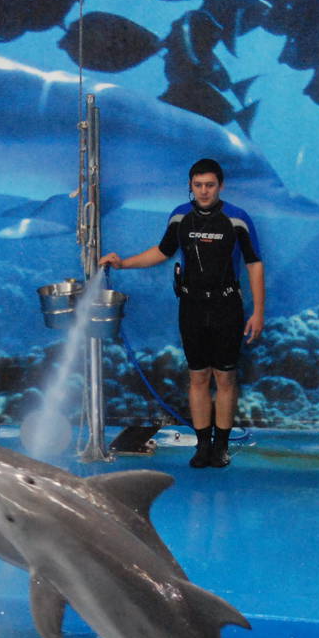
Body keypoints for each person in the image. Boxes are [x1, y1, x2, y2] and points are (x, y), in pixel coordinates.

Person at [99, 157, 265, 468]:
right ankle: (202, 447)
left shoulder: (237, 219)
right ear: (190, 186)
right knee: (198, 377)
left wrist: (258, 311)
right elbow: (161, 252)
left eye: (210, 185)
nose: (204, 191)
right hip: (192, 307)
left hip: (226, 307)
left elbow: (255, 264)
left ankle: (221, 447)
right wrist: (124, 263)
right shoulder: (180, 218)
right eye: (198, 185)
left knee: (225, 379)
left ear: (220, 186)